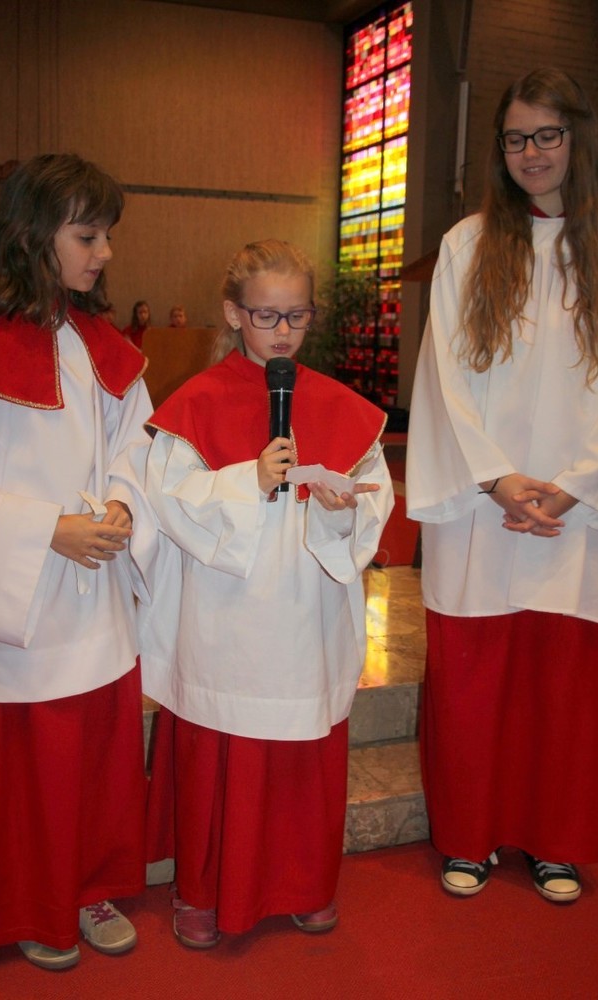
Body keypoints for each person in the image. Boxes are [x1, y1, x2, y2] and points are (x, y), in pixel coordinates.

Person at [406, 68, 598, 903]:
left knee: (563, 688)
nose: (533, 153)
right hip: (484, 506)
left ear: (578, 137)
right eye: (517, 138)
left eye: (548, 134)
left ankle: (555, 843)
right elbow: (443, 376)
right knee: (474, 682)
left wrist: (575, 487)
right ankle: (470, 836)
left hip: (575, 513)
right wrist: (496, 477)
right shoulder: (467, 244)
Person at [0, 153, 155, 970]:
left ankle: (90, 888)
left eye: (107, 235)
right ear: (31, 236)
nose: (105, 253)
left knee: (92, 757)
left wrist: (123, 503)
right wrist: (49, 529)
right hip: (21, 595)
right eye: (87, 236)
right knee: (27, 764)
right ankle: (25, 903)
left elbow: (140, 444)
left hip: (94, 591)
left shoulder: (99, 345)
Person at [139, 238, 394, 948]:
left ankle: (303, 884)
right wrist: (246, 480)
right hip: (225, 612)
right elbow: (171, 501)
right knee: (219, 750)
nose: (283, 331)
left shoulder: (343, 408)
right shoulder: (195, 405)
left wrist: (342, 511)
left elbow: (373, 501)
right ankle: (202, 889)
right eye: (266, 316)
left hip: (306, 613)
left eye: (297, 316)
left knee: (302, 753)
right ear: (234, 313)